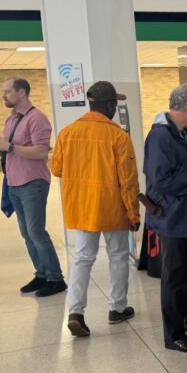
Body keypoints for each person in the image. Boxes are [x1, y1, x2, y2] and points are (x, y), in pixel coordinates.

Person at [50, 81, 141, 337]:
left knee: (83, 257)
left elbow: (56, 169)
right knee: (118, 256)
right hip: (112, 208)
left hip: (81, 207)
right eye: (116, 104)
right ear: (110, 105)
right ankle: (117, 308)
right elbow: (128, 181)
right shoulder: (119, 137)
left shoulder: (67, 133)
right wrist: (133, 214)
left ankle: (76, 311)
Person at [144, 83, 187, 354]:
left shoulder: (183, 134)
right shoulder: (161, 136)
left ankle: (184, 316)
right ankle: (174, 335)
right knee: (175, 277)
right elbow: (159, 181)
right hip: (174, 219)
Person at [0, 77, 66, 297]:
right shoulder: (11, 119)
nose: (3, 95)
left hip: (33, 183)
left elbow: (42, 152)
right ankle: (41, 274)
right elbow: (10, 150)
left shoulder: (37, 118)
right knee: (26, 233)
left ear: (21, 93)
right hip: (14, 182)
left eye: (7, 91)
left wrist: (10, 146)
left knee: (36, 232)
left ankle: (56, 278)